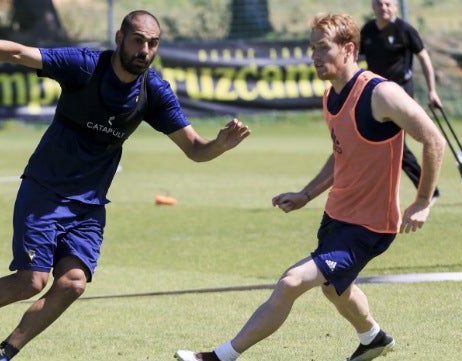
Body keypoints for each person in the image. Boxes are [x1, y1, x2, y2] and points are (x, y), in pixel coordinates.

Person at [0, 10, 251, 361]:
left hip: (89, 206)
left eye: (152, 43)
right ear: (119, 39)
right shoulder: (85, 65)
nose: (145, 49)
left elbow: (194, 149)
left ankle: (3, 355)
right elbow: (21, 53)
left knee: (73, 283)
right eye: (138, 40)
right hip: (45, 190)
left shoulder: (153, 90)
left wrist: (220, 145)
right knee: (31, 281)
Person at [175, 12, 445, 361]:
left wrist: (423, 200)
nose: (314, 56)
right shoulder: (331, 97)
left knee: (292, 281)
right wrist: (306, 195)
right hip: (338, 216)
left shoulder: (381, 94)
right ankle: (373, 338)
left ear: (348, 50)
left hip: (370, 225)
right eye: (311, 48)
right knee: (335, 290)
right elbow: (341, 152)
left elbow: (433, 139)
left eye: (322, 48)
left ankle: (218, 357)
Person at [360, 0, 442, 201]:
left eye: (388, 4)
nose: (384, 8)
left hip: (401, 95)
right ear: (373, 6)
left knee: (397, 146)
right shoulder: (368, 30)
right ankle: (376, 194)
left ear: (395, 6)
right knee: (377, 145)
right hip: (376, 95)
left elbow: (424, 58)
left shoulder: (404, 30)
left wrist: (432, 91)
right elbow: (354, 59)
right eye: (379, 4)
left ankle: (429, 192)